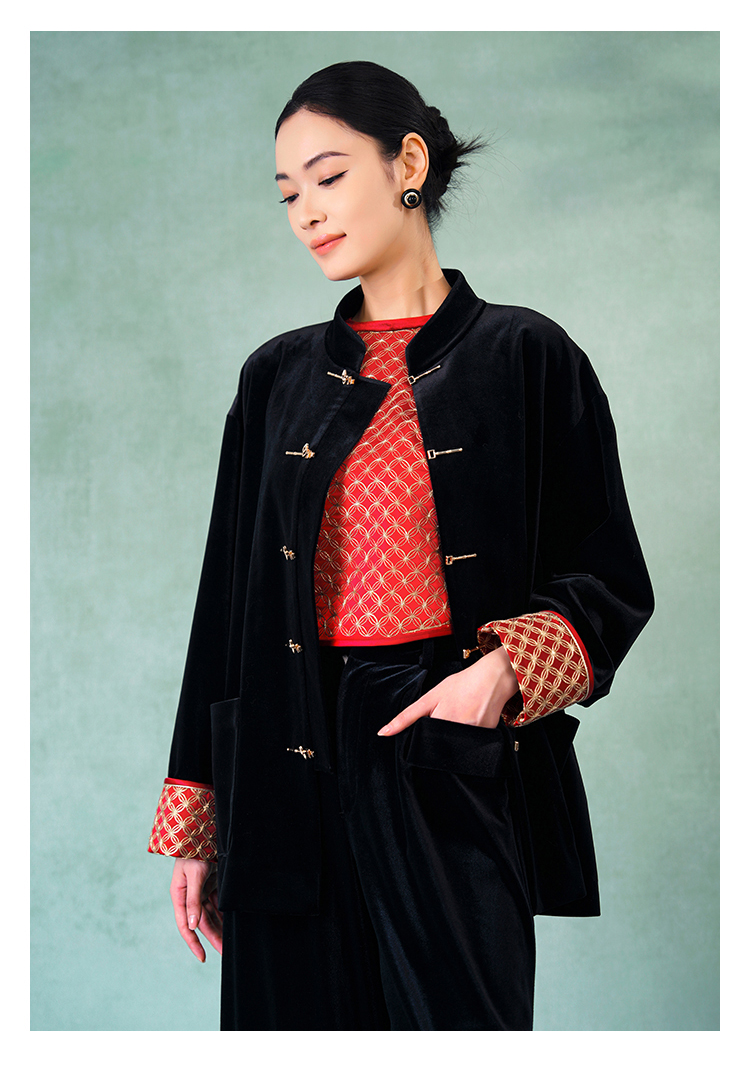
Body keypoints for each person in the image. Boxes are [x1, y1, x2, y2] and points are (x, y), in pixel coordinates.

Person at [148, 60, 654, 1031]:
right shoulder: (276, 376)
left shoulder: (526, 355)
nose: (306, 211)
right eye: (288, 192)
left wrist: (496, 677)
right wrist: (198, 813)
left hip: (443, 744)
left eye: (329, 176)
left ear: (408, 164)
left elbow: (610, 575)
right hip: (284, 757)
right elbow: (226, 605)